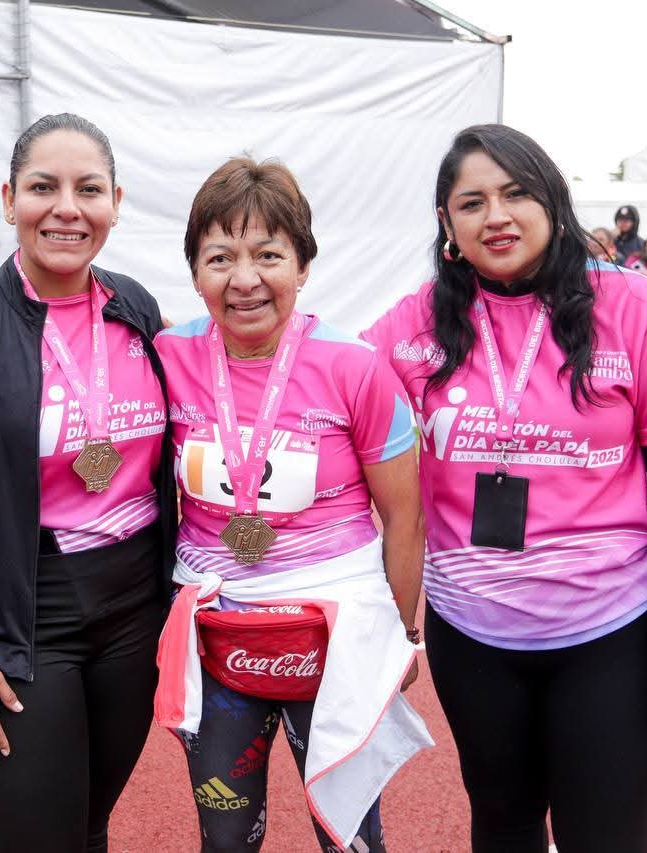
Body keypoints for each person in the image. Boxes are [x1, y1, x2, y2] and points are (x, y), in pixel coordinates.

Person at [362, 124, 647, 852]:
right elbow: (322, 397)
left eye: (516, 193)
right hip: (473, 639)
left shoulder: (636, 308)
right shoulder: (408, 328)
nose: (496, 215)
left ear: (553, 202)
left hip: (610, 637)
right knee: (501, 829)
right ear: (447, 225)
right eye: (472, 202)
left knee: (606, 839)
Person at [0, 113, 177, 853]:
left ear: (116, 201)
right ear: (7, 199)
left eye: (89, 189)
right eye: (42, 187)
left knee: (87, 827)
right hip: (22, 614)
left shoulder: (136, 308)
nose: (67, 207)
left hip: (133, 609)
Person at [153, 156, 431, 853]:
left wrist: (403, 633)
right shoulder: (167, 355)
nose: (244, 280)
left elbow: (404, 517)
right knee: (225, 839)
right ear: (195, 273)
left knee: (350, 837)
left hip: (332, 637)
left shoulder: (355, 366)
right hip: (218, 637)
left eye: (268, 254)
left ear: (302, 265)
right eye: (220, 257)